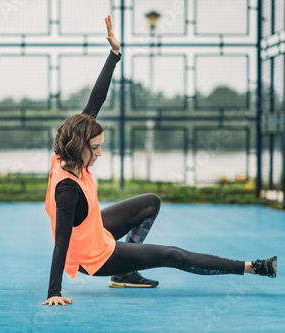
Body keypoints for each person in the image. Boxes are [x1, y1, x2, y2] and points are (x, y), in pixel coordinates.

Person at [42, 16, 277, 307]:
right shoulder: (68, 191)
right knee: (171, 254)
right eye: (96, 148)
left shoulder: (66, 151)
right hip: (95, 257)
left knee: (150, 202)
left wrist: (114, 56)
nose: (100, 153)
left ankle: (126, 273)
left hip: (94, 232)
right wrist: (54, 291)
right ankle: (253, 266)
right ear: (79, 147)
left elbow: (93, 104)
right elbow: (62, 241)